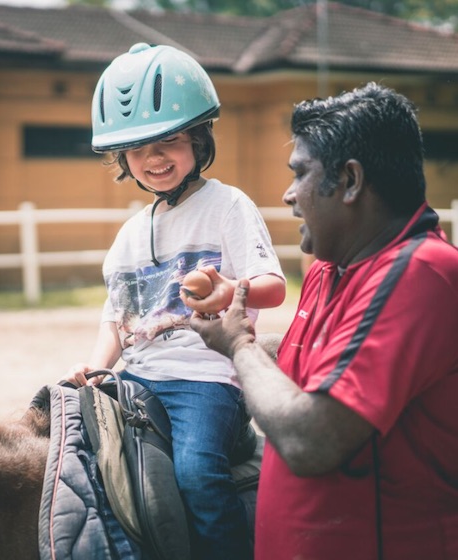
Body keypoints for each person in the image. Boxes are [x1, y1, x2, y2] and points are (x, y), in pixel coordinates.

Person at [187, 82, 458, 560]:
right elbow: (305, 370)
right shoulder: (330, 269)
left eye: (300, 174)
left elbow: (310, 439)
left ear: (350, 181)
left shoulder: (421, 274)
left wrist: (239, 348)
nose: (289, 194)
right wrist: (234, 335)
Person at [65, 43, 286, 560]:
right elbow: (116, 317)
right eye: (138, 151)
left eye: (169, 142)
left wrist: (232, 293)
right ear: (123, 160)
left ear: (199, 139)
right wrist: (96, 369)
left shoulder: (229, 206)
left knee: (196, 472)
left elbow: (271, 285)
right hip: (139, 377)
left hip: (205, 379)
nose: (154, 159)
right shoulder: (127, 235)